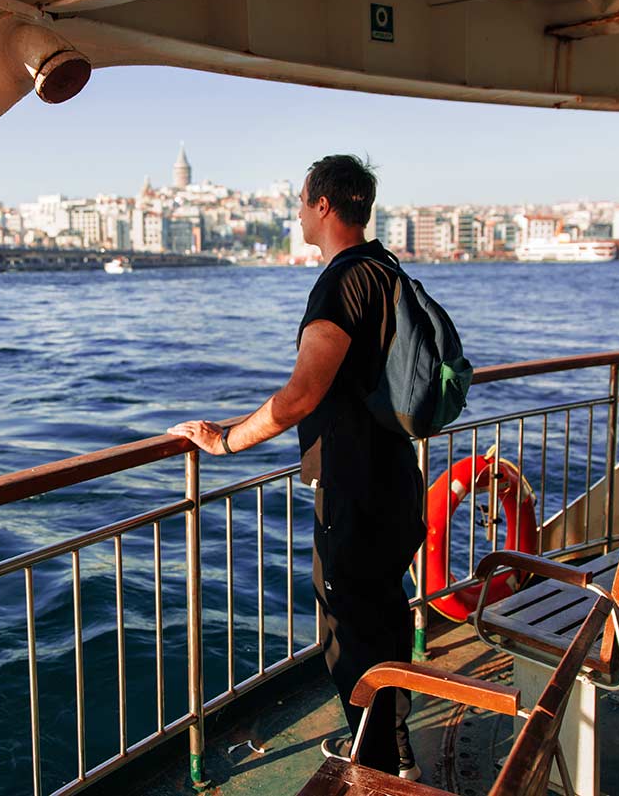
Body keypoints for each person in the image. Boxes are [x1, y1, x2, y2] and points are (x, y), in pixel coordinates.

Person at [168, 154, 426, 780]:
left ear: (324, 206)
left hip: (355, 486)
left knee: (351, 634)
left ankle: (376, 770)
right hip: (395, 478)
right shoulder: (386, 269)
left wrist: (227, 441)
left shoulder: (342, 282)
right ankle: (394, 750)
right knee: (386, 619)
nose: (297, 211)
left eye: (302, 200)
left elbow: (300, 395)